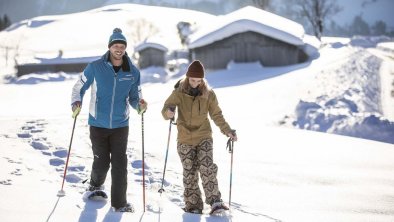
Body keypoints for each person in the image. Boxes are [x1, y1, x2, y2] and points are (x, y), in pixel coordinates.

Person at [71, 28, 147, 212]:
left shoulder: (133, 72)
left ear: (125, 48)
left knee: (120, 164)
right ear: (110, 47)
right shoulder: (95, 67)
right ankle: (95, 186)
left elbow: (135, 97)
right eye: (115, 46)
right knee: (101, 161)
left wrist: (140, 106)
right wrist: (76, 101)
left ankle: (120, 203)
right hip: (98, 123)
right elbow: (79, 86)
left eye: (122, 46)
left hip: (121, 124)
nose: (119, 49)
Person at [161, 60, 237, 214]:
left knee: (207, 166)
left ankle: (215, 201)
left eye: (198, 80)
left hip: (204, 136)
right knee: (189, 172)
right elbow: (166, 108)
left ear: (202, 79)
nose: (195, 83)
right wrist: (168, 112)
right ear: (187, 77)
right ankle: (194, 206)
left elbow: (216, 115)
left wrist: (227, 130)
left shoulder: (208, 94)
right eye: (192, 80)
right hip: (184, 138)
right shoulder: (179, 92)